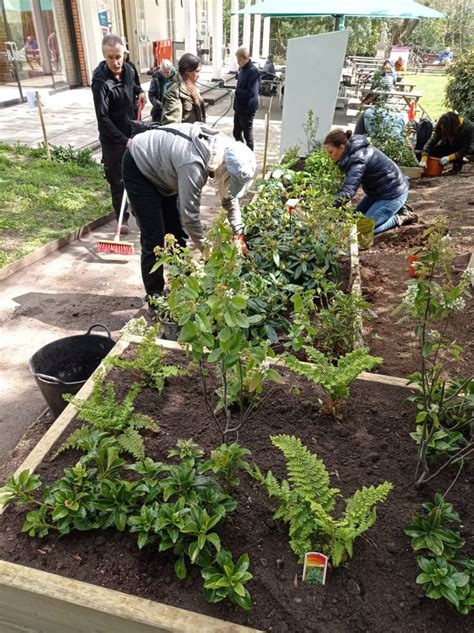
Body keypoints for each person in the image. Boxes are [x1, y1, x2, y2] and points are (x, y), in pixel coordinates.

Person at [122, 122, 256, 302]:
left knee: (175, 231)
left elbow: (229, 197)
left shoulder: (224, 151)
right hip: (139, 167)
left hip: (164, 169)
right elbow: (190, 216)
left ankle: (183, 283)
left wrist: (238, 233)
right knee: (154, 237)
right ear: (224, 171)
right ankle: (155, 296)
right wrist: (207, 251)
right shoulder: (193, 164)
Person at [92, 34, 146, 234]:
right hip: (112, 141)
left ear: (124, 53)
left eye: (118, 56)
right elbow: (103, 118)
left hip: (131, 132)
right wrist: (124, 141)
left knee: (139, 177)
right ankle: (122, 219)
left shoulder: (129, 71)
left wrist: (140, 92)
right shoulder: (100, 83)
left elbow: (136, 86)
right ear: (105, 57)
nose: (115, 62)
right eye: (110, 57)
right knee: (117, 180)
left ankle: (143, 218)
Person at [324, 129, 416, 235]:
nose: (328, 155)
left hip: (394, 193)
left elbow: (348, 192)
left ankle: (401, 216)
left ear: (341, 147)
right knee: (352, 221)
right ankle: (390, 211)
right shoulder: (352, 152)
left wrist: (326, 206)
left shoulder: (357, 160)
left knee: (362, 231)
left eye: (331, 152)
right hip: (377, 192)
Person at [161, 53, 205, 125]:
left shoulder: (191, 86)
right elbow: (171, 125)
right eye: (196, 71)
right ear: (186, 71)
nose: (198, 75)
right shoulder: (174, 92)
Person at [233, 47, 261, 151]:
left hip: (247, 109)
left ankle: (249, 157)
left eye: (239, 60)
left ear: (245, 58)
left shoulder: (253, 71)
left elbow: (252, 93)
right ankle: (242, 152)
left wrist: (237, 91)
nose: (237, 62)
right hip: (239, 107)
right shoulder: (243, 69)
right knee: (236, 133)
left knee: (247, 135)